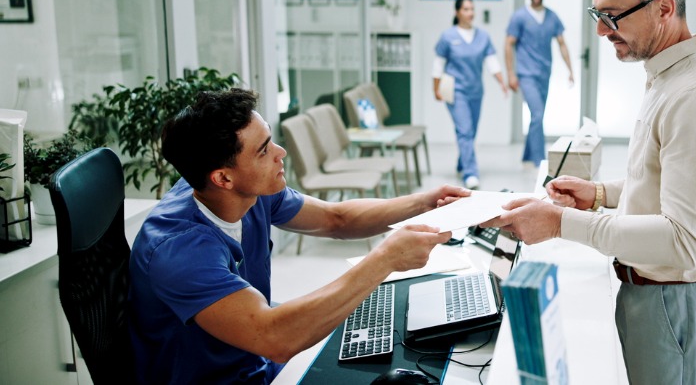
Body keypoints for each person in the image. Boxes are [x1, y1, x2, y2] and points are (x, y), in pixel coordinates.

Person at [482, 0, 696, 385]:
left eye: (613, 16)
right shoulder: (670, 78)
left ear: (664, 8)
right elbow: (675, 187)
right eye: (597, 15)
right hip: (661, 295)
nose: (602, 31)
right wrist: (601, 194)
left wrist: (559, 224)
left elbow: (684, 241)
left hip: (680, 302)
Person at [128, 89, 469, 384]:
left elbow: (337, 219)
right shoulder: (178, 250)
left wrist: (424, 202)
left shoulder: (246, 191)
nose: (281, 153)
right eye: (263, 150)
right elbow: (274, 337)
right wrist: (385, 259)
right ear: (223, 178)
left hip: (254, 362)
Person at [432, 0, 508, 190]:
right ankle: (470, 173)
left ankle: (461, 163)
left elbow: (491, 61)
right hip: (455, 91)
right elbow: (438, 64)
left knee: (469, 132)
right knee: (465, 131)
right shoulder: (448, 36)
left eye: (472, 9)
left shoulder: (482, 36)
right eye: (466, 9)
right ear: (457, 12)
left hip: (475, 91)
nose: (470, 13)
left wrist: (501, 82)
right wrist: (436, 88)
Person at [504, 0, 575, 168]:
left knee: (538, 114)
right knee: (536, 114)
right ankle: (539, 159)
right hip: (525, 74)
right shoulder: (519, 17)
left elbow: (562, 44)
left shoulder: (552, 17)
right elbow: (508, 44)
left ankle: (527, 155)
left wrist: (570, 70)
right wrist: (510, 73)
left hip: (544, 73)